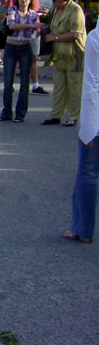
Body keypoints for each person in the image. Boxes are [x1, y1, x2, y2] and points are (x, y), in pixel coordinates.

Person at [64, 24, 99, 243]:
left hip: (95, 119)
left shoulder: (95, 38)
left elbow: (91, 85)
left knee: (87, 173)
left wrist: (88, 127)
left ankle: (82, 229)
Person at [41, 0, 86, 127]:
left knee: (74, 87)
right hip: (59, 55)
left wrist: (55, 38)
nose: (53, 3)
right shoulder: (55, 9)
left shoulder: (75, 10)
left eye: (54, 0)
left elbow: (75, 34)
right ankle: (56, 115)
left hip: (74, 55)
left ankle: (73, 116)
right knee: (59, 86)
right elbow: (50, 25)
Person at [0, 0, 40, 123]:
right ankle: (6, 112)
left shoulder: (33, 14)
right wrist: (31, 25)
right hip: (11, 46)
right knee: (8, 81)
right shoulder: (12, 10)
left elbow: (36, 29)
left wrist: (38, 24)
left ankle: (20, 114)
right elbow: (12, 26)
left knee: (24, 83)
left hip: (25, 47)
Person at [8, 0, 49, 94]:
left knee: (34, 58)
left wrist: (40, 12)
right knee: (15, 59)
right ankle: (10, 84)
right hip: (17, 33)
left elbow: (33, 9)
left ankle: (35, 85)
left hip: (34, 30)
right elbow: (10, 9)